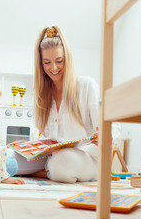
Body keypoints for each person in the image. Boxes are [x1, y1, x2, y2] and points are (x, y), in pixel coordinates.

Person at [9, 25, 99, 183]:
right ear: (41, 64)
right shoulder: (43, 93)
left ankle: (43, 171)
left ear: (67, 59)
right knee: (6, 158)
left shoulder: (87, 86)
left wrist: (104, 137)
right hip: (51, 155)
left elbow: (110, 132)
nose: (54, 68)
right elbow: (47, 136)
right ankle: (44, 169)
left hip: (85, 158)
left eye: (59, 61)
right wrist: (29, 147)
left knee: (62, 162)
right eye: (47, 62)